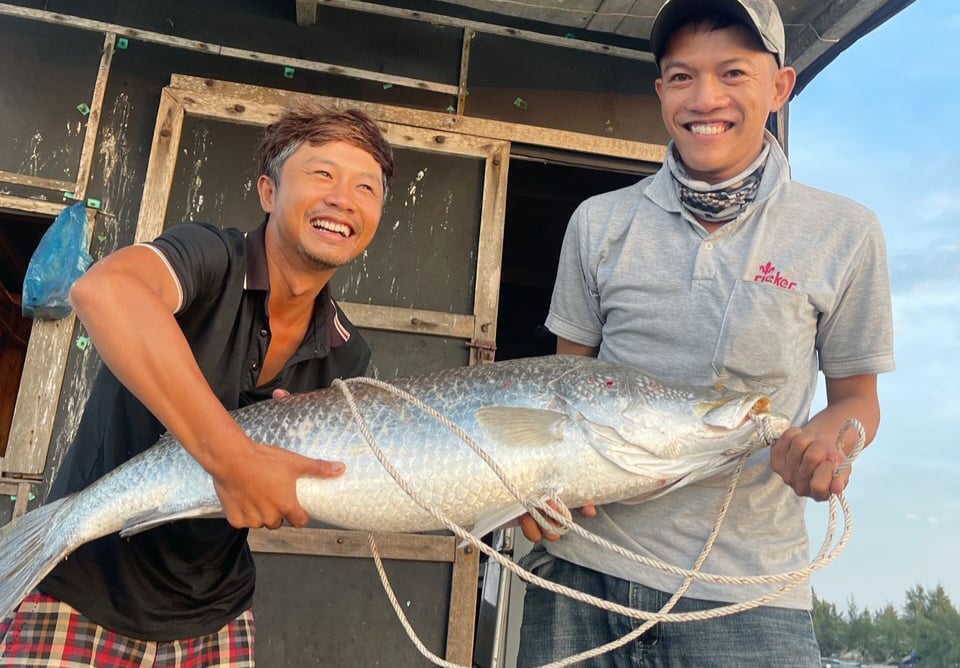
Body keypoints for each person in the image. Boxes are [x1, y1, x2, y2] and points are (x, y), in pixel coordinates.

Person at [516, 0, 895, 665]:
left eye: (733, 73)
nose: (706, 97)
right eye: (683, 76)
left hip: (750, 593)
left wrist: (827, 451)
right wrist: (536, 487)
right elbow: (560, 391)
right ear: (661, 91)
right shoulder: (598, 224)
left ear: (781, 87)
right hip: (584, 578)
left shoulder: (845, 232)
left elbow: (857, 399)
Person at [0, 106, 395, 665]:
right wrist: (235, 458)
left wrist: (507, 497)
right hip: (81, 591)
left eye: (366, 187)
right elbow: (105, 291)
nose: (343, 198)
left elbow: (357, 474)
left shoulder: (347, 350)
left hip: (215, 621)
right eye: (322, 174)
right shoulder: (210, 257)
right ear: (267, 191)